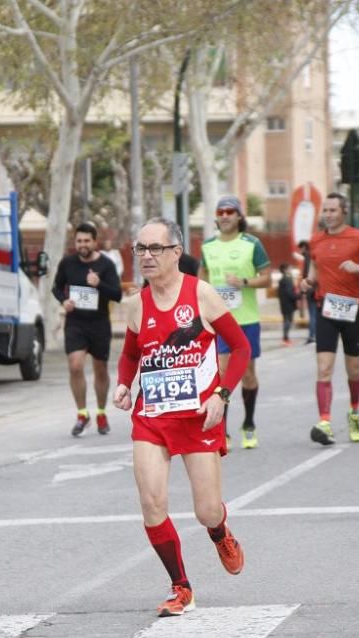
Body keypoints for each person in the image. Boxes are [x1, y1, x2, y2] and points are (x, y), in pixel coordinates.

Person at [113, 217, 249, 617]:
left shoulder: (202, 295)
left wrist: (222, 395)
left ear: (176, 253)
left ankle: (219, 531)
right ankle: (181, 586)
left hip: (198, 418)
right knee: (152, 502)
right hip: (152, 416)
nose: (146, 257)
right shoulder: (137, 303)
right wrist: (124, 384)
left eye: (155, 248)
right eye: (140, 249)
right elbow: (130, 353)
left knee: (206, 509)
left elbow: (240, 349)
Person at [300, 193, 359, 445]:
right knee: (324, 368)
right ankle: (324, 421)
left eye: (332, 210)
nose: (327, 214)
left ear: (344, 211)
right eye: (324, 210)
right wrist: (308, 282)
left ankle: (355, 412)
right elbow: (313, 273)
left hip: (352, 310)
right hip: (326, 308)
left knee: (353, 369)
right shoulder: (316, 240)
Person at [200, 195, 272, 450]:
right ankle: (222, 430)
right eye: (220, 211)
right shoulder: (208, 246)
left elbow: (267, 279)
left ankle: (249, 423)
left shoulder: (252, 244)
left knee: (248, 374)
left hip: (246, 319)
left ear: (239, 216)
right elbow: (202, 279)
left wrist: (243, 282)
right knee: (221, 372)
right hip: (219, 321)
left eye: (230, 211)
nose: (225, 215)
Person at [52, 223, 123, 436]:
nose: (82, 245)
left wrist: (98, 283)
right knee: (75, 365)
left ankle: (101, 412)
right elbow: (56, 287)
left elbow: (117, 295)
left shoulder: (106, 265)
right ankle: (82, 413)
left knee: (100, 368)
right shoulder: (67, 263)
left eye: (86, 241)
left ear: (94, 242)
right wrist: (64, 301)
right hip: (76, 323)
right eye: (79, 241)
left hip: (99, 323)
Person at [296, 240, 317, 344]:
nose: (299, 251)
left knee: (313, 314)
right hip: (314, 289)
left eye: (300, 248)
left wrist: (304, 290)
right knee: (315, 313)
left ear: (304, 247)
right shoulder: (310, 256)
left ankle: (312, 336)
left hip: (311, 290)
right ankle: (314, 335)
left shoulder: (308, 257)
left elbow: (308, 275)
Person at [276, 263, 298, 346]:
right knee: (288, 321)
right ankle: (285, 338)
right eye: (289, 268)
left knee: (286, 321)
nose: (291, 269)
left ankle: (285, 338)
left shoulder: (282, 279)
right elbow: (290, 293)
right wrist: (298, 296)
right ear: (285, 270)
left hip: (283, 303)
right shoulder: (288, 279)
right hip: (288, 304)